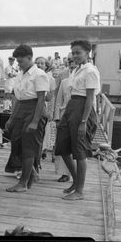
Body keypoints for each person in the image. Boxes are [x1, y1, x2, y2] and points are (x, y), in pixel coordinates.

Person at [54, 40, 100, 200]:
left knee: (80, 151)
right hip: (71, 107)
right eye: (73, 52)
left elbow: (89, 99)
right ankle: (75, 181)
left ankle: (79, 191)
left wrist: (83, 122)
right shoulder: (76, 71)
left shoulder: (90, 71)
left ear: (87, 53)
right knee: (62, 146)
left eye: (78, 52)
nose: (75, 55)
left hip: (82, 110)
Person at [5, 44, 49, 192]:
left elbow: (42, 99)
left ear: (30, 58)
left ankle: (23, 183)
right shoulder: (20, 74)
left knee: (29, 147)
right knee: (17, 142)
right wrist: (11, 118)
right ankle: (30, 177)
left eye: (21, 61)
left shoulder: (39, 74)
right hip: (21, 109)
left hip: (34, 109)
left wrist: (35, 122)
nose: (19, 64)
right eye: (18, 61)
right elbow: (17, 98)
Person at [53, 58, 77, 182]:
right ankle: (64, 173)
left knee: (76, 146)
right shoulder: (64, 82)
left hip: (77, 117)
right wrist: (57, 118)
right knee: (63, 145)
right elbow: (58, 101)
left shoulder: (83, 82)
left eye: (75, 68)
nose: (73, 70)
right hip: (64, 116)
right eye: (71, 68)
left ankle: (76, 174)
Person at [35, 57, 56, 162]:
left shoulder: (50, 79)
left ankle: (41, 152)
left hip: (44, 107)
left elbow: (51, 97)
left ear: (46, 66)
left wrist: (51, 112)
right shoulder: (32, 76)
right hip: (32, 107)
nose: (39, 65)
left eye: (42, 63)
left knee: (44, 131)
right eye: (37, 63)